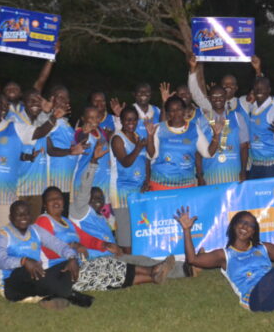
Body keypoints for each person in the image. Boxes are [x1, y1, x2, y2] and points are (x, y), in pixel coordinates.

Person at [174, 207, 274, 325]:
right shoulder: (224, 255)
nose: (245, 227)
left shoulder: (263, 247)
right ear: (234, 225)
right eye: (241, 222)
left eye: (250, 225)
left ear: (253, 232)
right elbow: (193, 260)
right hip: (256, 300)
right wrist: (187, 230)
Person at [0, 93, 61, 292]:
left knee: (3, 238)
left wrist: (54, 116)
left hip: (6, 196)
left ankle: (3, 272)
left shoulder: (15, 127)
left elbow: (39, 132)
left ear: (5, 109)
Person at [72, 140, 194, 277]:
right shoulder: (79, 212)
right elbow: (84, 187)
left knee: (143, 260)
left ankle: (185, 269)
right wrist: (94, 161)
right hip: (94, 260)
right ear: (86, 199)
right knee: (141, 263)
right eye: (93, 198)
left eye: (100, 198)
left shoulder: (101, 218)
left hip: (111, 256)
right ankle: (183, 271)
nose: (98, 202)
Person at [36, 187, 176, 292]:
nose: (55, 201)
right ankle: (152, 271)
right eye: (50, 199)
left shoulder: (66, 222)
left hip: (76, 264)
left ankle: (153, 275)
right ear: (44, 204)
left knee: (107, 266)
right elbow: (48, 248)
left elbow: (85, 238)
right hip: (58, 270)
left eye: (58, 198)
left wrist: (105, 244)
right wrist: (73, 248)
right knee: (105, 270)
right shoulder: (43, 220)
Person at [0, 201, 93, 310]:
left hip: (36, 276)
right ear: (10, 217)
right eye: (19, 214)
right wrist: (23, 261)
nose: (23, 217)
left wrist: (72, 258)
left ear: (31, 216)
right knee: (27, 271)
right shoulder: (2, 235)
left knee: (67, 265)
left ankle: (56, 294)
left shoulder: (36, 230)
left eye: (26, 213)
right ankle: (66, 293)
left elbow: (58, 245)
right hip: (12, 283)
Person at [147, 96, 221, 190]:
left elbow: (208, 153)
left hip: (186, 185)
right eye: (172, 110)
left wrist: (216, 135)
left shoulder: (194, 128)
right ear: (168, 113)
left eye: (179, 109)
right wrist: (149, 137)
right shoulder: (158, 128)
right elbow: (151, 155)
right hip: (160, 184)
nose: (176, 113)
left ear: (184, 110)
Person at [0, 37, 57, 121]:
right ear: (3, 93)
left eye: (15, 88)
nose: (11, 90)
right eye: (8, 89)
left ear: (21, 94)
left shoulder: (28, 106)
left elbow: (41, 80)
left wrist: (52, 55)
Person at [110, 106, 149, 250]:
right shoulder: (117, 139)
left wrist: (147, 181)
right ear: (121, 121)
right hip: (122, 191)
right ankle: (128, 264)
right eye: (127, 120)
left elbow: (146, 161)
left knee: (137, 227)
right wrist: (138, 148)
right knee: (125, 231)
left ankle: (138, 262)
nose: (131, 122)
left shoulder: (138, 137)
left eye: (133, 119)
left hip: (138, 190)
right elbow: (126, 162)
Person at [195, 85, 249, 185]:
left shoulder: (237, 117)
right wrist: (200, 176)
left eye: (221, 96)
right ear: (209, 99)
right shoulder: (202, 120)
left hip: (234, 174)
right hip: (210, 175)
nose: (218, 99)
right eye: (214, 96)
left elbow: (244, 147)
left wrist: (243, 171)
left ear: (225, 97)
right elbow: (198, 153)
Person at [46, 85, 84, 213]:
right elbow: (49, 149)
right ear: (52, 99)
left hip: (68, 184)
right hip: (54, 184)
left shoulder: (67, 124)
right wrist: (70, 151)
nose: (64, 100)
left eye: (66, 98)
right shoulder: (48, 120)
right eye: (60, 97)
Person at [247, 77, 274, 179]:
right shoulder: (253, 108)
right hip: (257, 162)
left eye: (262, 88)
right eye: (256, 88)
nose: (259, 91)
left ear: (269, 90)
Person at [72, 106, 112, 204]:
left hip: (102, 182)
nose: (95, 120)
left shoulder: (101, 131)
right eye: (91, 117)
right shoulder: (80, 132)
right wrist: (84, 134)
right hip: (86, 182)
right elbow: (81, 139)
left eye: (97, 117)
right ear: (83, 119)